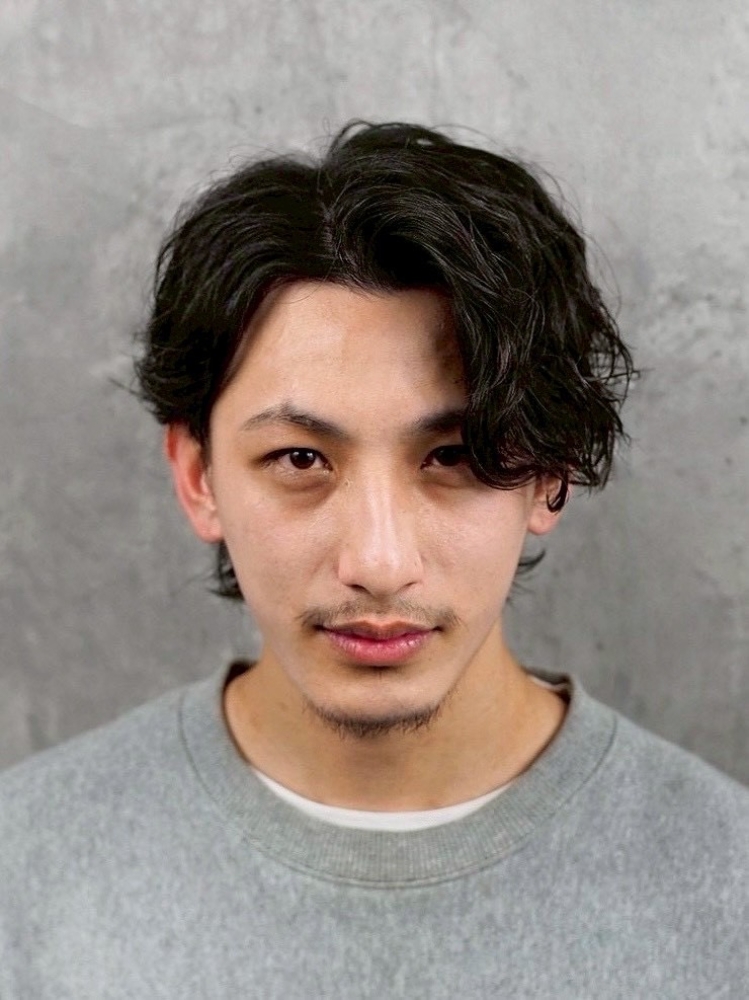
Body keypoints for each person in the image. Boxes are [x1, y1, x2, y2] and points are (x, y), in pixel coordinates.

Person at [1, 121, 747, 999]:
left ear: (549, 476)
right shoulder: (26, 868)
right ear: (198, 477)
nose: (379, 563)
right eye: (300, 459)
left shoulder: (725, 883)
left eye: (453, 456)